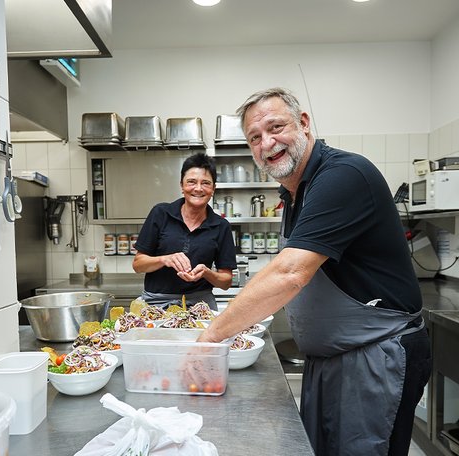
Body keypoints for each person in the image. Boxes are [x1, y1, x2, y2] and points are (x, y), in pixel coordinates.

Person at [197, 88, 431, 456]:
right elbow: (286, 269)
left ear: (304, 124)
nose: (267, 143)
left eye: (276, 127)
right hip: (331, 359)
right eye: (255, 138)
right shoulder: (294, 193)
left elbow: (290, 273)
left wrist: (210, 338)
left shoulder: (343, 175)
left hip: (375, 357)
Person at [132, 152, 237, 310]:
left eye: (206, 183)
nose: (198, 188)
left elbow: (226, 282)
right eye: (191, 182)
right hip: (156, 305)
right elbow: (138, 265)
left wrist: (207, 273)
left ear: (213, 189)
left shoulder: (221, 226)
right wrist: (164, 259)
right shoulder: (161, 213)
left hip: (200, 305)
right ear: (182, 185)